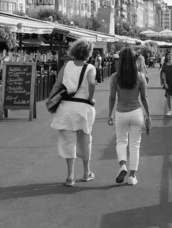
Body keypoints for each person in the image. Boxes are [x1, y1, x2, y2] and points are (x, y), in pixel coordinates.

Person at [49, 39, 97, 187]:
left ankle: (70, 176)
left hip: (67, 107)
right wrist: (90, 98)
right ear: (88, 53)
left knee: (68, 142)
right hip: (83, 108)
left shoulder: (66, 66)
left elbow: (57, 84)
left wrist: (51, 100)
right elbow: (92, 83)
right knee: (85, 140)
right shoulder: (90, 68)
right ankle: (86, 172)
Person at [108, 48, 151, 186]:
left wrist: (109, 114)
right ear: (135, 61)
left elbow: (112, 97)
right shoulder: (140, 76)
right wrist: (148, 115)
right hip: (136, 112)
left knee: (121, 141)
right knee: (135, 145)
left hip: (121, 112)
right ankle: (132, 176)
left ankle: (123, 165)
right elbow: (144, 97)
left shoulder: (115, 77)